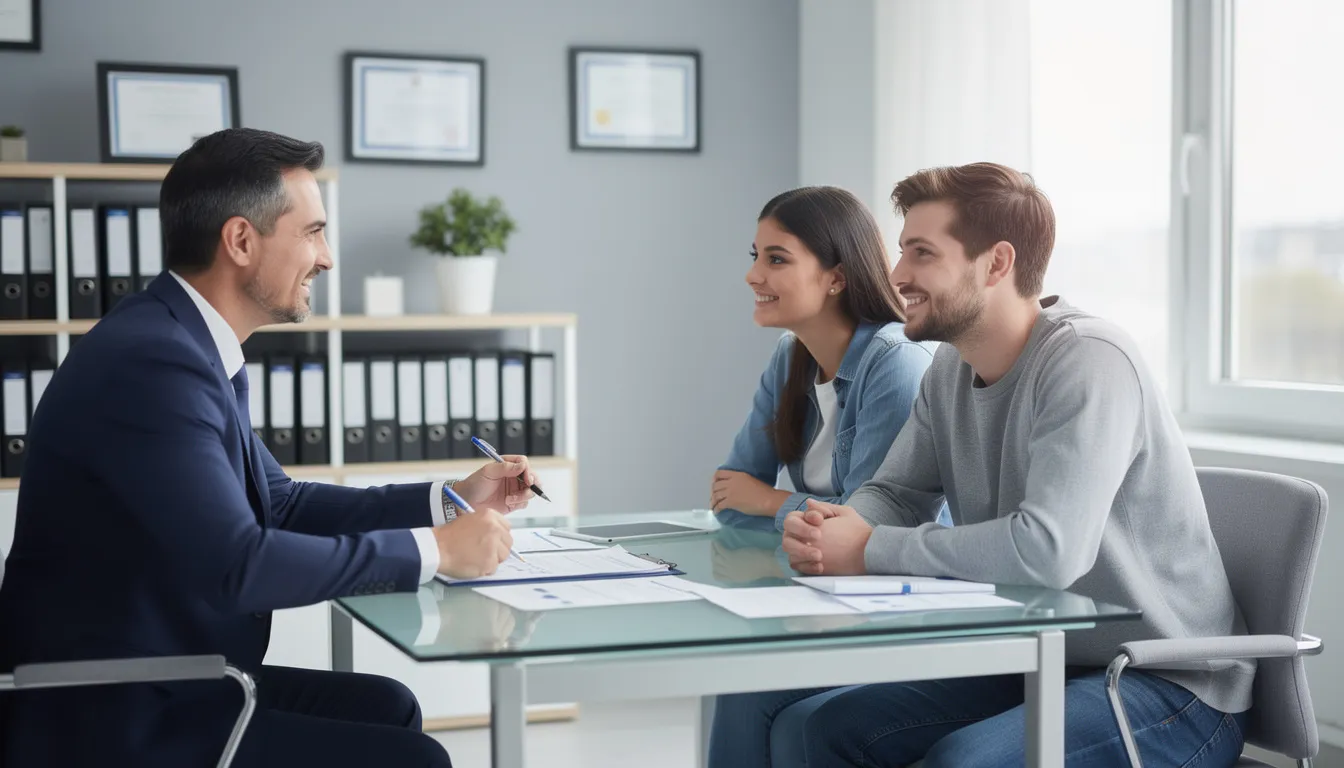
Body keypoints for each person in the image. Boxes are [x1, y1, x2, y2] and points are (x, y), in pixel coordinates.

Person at [0, 128, 533, 767]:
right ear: (241, 241)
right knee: (416, 760)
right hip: (110, 711)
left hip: (172, 678)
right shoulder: (154, 362)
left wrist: (448, 502)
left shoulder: (186, 342)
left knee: (390, 708)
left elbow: (277, 502)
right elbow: (239, 565)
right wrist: (436, 551)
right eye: (312, 232)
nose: (328, 257)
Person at [758, 162, 1251, 767]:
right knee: (818, 729)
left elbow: (1049, 551)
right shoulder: (950, 369)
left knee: (962, 762)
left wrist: (867, 549)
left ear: (996, 264)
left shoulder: (1089, 360)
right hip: (1039, 657)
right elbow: (896, 491)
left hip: (1165, 681)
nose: (896, 275)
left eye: (921, 253)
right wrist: (833, 527)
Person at [710, 186, 939, 537]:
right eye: (755, 256)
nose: (752, 275)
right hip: (818, 569)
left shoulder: (896, 360)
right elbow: (730, 501)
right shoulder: (789, 356)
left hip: (897, 583)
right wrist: (805, 515)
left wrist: (771, 501)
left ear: (837, 278)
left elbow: (864, 524)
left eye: (776, 259)